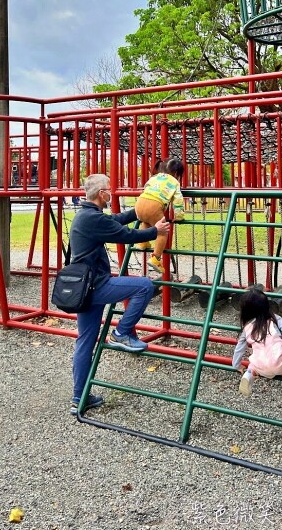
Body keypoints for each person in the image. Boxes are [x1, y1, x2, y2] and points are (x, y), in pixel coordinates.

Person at [69, 173, 171, 416]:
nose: (111, 193)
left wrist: (139, 211)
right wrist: (154, 231)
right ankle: (121, 333)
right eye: (108, 190)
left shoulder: (86, 215)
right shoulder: (92, 219)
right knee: (144, 286)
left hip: (84, 289)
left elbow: (115, 220)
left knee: (84, 342)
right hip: (97, 286)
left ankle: (78, 397)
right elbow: (125, 235)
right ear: (100, 194)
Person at [232, 288, 282, 397]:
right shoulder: (273, 318)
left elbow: (239, 348)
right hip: (279, 364)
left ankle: (249, 374)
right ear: (267, 305)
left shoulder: (247, 327)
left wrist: (236, 365)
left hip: (261, 367)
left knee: (256, 358)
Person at [134, 157, 185, 274]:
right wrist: (179, 216)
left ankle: (142, 242)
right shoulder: (174, 182)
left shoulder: (154, 178)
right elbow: (178, 201)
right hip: (154, 205)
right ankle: (156, 258)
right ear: (176, 173)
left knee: (146, 221)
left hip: (139, 203)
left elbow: (146, 188)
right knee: (163, 231)